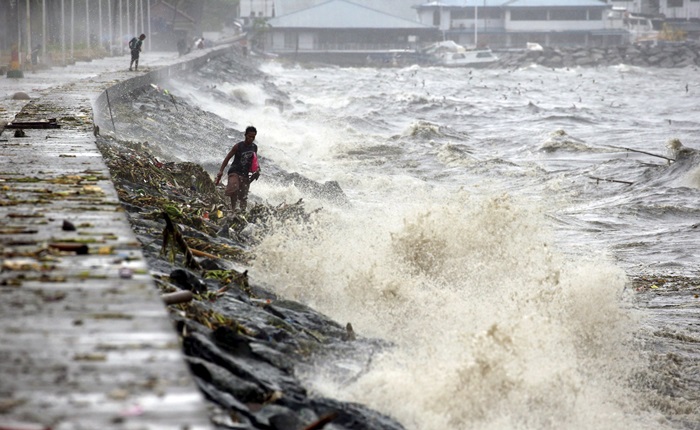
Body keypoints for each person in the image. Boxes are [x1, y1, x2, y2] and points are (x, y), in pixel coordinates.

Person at [215, 126, 260, 213]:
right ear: (245, 135)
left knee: (243, 196)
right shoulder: (238, 146)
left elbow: (255, 160)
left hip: (245, 173)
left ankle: (242, 212)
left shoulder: (254, 147)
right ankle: (233, 209)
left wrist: (257, 169)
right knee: (234, 188)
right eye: (249, 136)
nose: (251, 139)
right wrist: (221, 171)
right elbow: (227, 158)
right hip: (234, 171)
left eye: (253, 137)